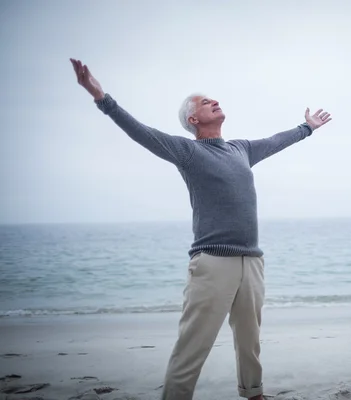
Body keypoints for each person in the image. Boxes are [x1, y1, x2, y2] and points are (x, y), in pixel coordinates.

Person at [69, 58, 332, 400]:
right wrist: (100, 96)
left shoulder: (241, 149)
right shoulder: (188, 151)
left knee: (250, 340)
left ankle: (254, 393)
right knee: (193, 343)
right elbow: (140, 131)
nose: (213, 101)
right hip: (212, 263)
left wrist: (306, 127)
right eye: (205, 102)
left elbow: (274, 141)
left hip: (251, 261)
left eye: (214, 99)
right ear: (193, 119)